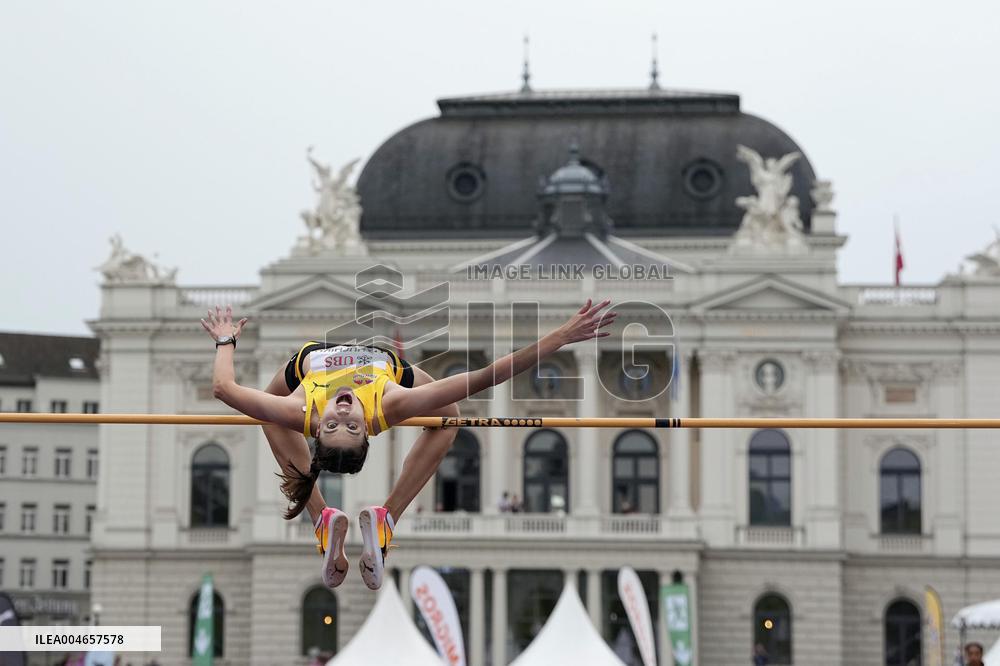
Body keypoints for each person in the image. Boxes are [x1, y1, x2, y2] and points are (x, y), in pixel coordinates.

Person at [201, 299, 615, 590]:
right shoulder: (391, 404)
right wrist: (559, 337)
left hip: (304, 365)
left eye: (333, 425)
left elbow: (223, 387)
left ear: (316, 426)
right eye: (351, 426)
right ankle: (385, 517)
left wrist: (225, 341)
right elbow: (489, 374)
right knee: (449, 417)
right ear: (369, 431)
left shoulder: (302, 410)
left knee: (267, 415)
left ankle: (323, 518)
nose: (343, 413)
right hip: (390, 367)